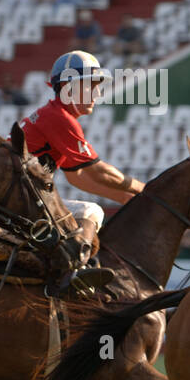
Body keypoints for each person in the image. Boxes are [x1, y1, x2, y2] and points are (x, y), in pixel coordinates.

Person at [19, 50, 145, 294]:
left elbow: (76, 176)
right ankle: (72, 274)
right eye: (90, 86)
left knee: (80, 214)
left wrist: (125, 199)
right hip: (21, 200)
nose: (96, 94)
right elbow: (97, 171)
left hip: (20, 196)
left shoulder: (54, 115)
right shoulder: (60, 119)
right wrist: (143, 190)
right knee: (91, 211)